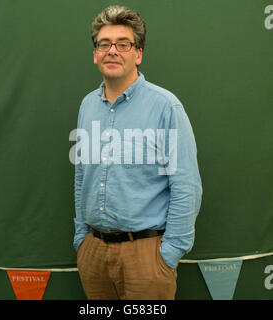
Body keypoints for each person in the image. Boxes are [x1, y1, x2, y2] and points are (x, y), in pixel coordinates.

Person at [73, 5, 202, 300]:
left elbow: (186, 185)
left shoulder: (166, 107)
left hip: (147, 256)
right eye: (104, 44)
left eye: (123, 44)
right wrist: (82, 240)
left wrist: (168, 254)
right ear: (95, 54)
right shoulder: (87, 107)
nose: (112, 51)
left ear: (138, 54)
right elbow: (82, 176)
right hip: (94, 254)